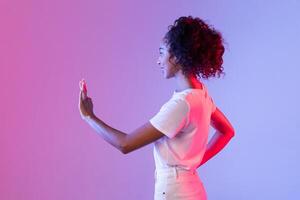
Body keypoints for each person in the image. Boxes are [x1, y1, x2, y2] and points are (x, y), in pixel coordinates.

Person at [78, 16, 235, 200]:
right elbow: (227, 131)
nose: (158, 61)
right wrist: (193, 164)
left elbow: (125, 144)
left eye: (161, 53)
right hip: (194, 190)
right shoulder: (201, 94)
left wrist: (89, 116)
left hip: (174, 193)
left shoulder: (181, 105)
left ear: (176, 56)